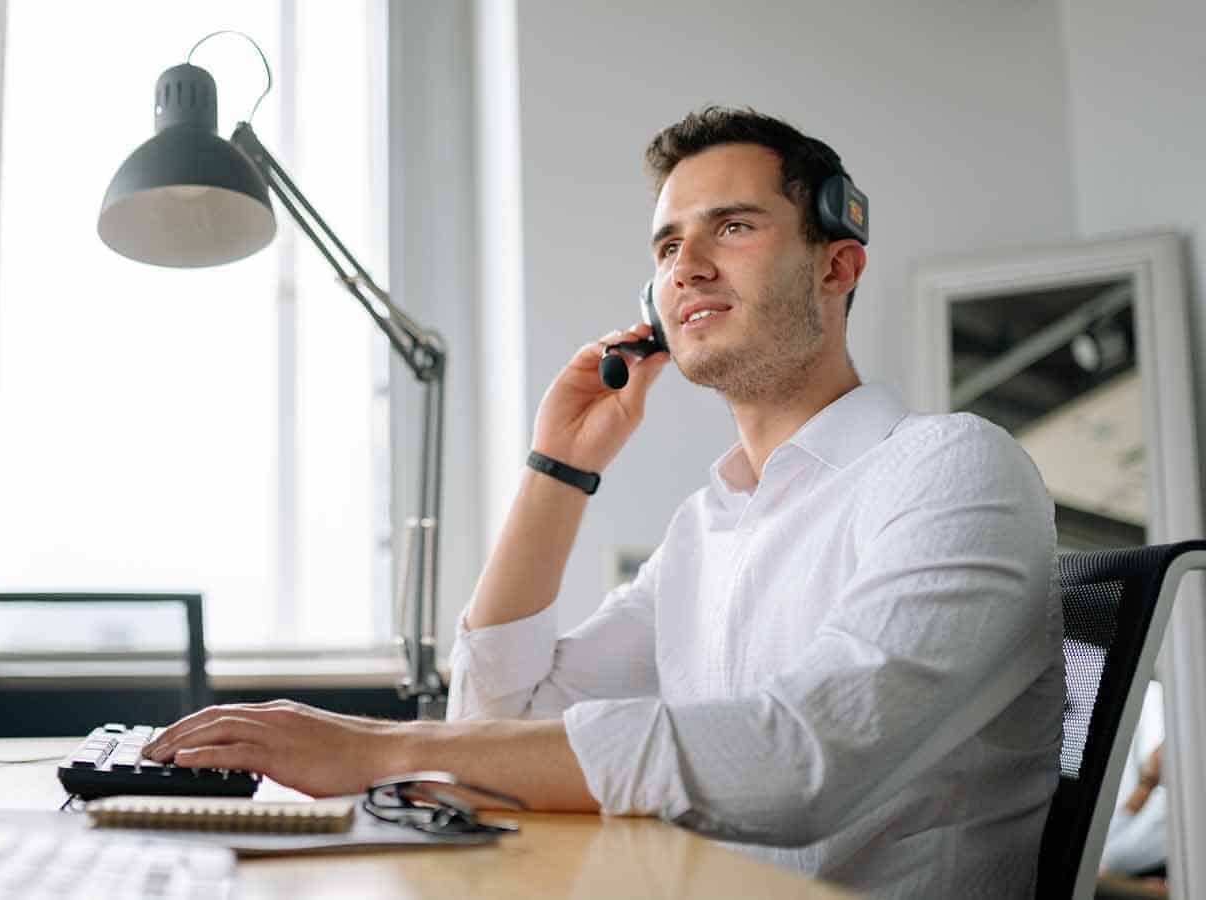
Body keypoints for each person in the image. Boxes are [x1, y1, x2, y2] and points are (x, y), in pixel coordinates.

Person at [144, 107, 1063, 897]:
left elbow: (798, 764)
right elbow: (496, 722)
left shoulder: (953, 469)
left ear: (837, 267)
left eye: (733, 227)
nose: (688, 266)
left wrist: (377, 751)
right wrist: (558, 468)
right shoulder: (710, 527)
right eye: (668, 246)